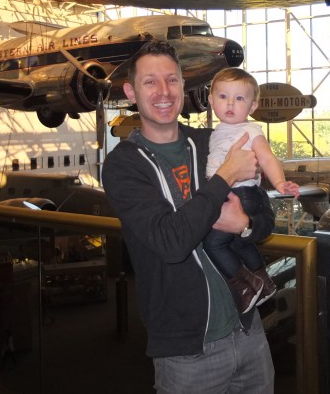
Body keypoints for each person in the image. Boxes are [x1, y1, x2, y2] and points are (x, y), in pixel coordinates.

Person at [102, 41, 275, 394]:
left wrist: (245, 227)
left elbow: (265, 218)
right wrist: (225, 176)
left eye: (172, 80)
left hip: (249, 330)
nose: (164, 92)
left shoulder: (213, 141)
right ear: (131, 92)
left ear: (184, 86)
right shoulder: (123, 166)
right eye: (150, 82)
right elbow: (171, 243)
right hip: (188, 351)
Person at [205, 67, 300, 313]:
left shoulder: (250, 130)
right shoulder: (217, 132)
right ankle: (264, 281)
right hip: (230, 193)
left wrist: (279, 183)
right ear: (211, 100)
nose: (230, 103)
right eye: (223, 96)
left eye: (239, 98)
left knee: (214, 244)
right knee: (240, 243)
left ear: (253, 106)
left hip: (242, 194)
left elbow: (267, 158)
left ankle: (245, 287)